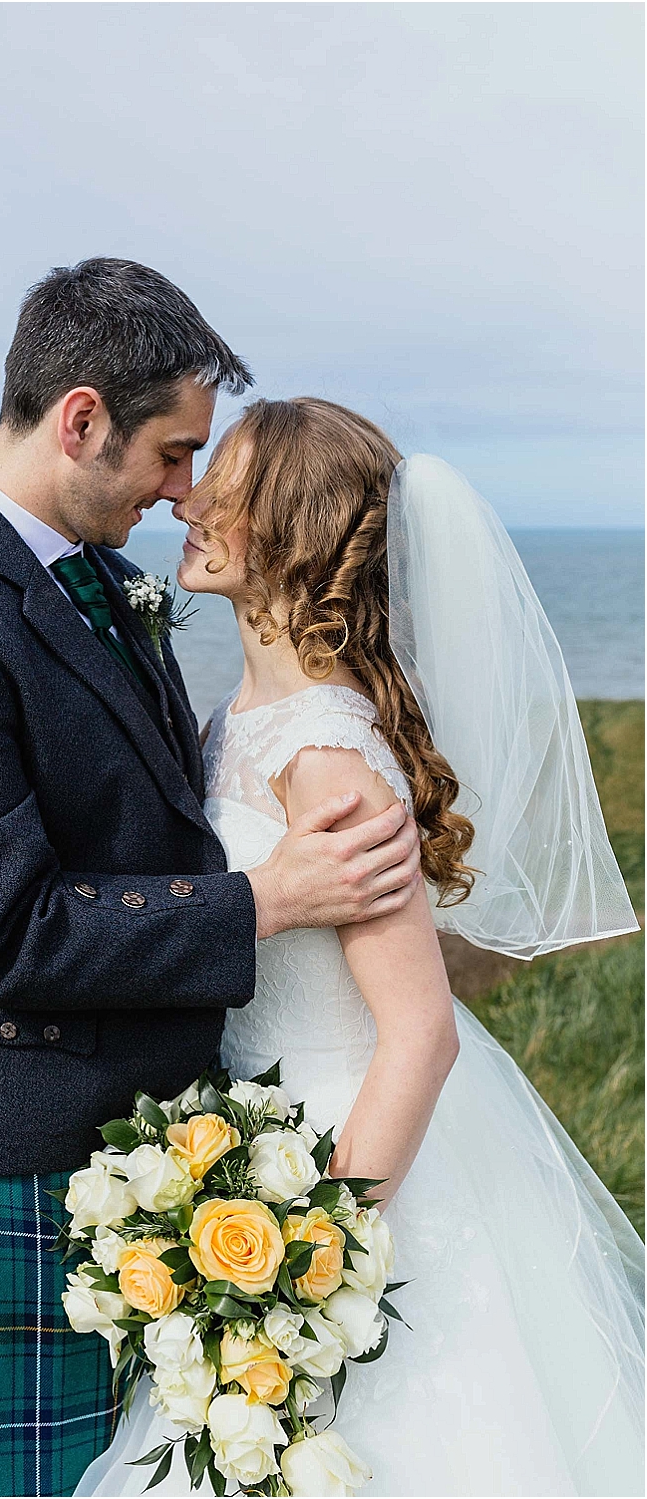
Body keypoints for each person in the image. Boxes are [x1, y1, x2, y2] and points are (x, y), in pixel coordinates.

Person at [0, 260, 423, 1498]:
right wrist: (271, 898)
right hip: (13, 1142)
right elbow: (7, 930)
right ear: (80, 419)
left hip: (160, 1137)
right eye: (170, 452)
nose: (184, 491)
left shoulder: (102, 577)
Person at [74, 400, 643, 1496]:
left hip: (354, 1154)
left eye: (221, 483)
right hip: (256, 1129)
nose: (184, 501)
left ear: (287, 524)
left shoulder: (326, 755)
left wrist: (304, 1271)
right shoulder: (243, 717)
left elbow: (420, 1035)